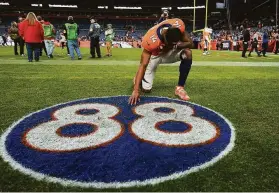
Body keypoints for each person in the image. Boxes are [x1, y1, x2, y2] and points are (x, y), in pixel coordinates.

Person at [129, 18, 194, 105]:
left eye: (173, 43)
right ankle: (137, 79)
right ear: (164, 35)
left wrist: (178, 45)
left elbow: (191, 44)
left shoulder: (178, 26)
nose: (171, 45)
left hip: (169, 53)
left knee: (188, 53)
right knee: (146, 89)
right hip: (155, 56)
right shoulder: (150, 40)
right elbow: (143, 65)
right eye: (169, 43)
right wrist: (136, 90)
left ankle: (179, 88)